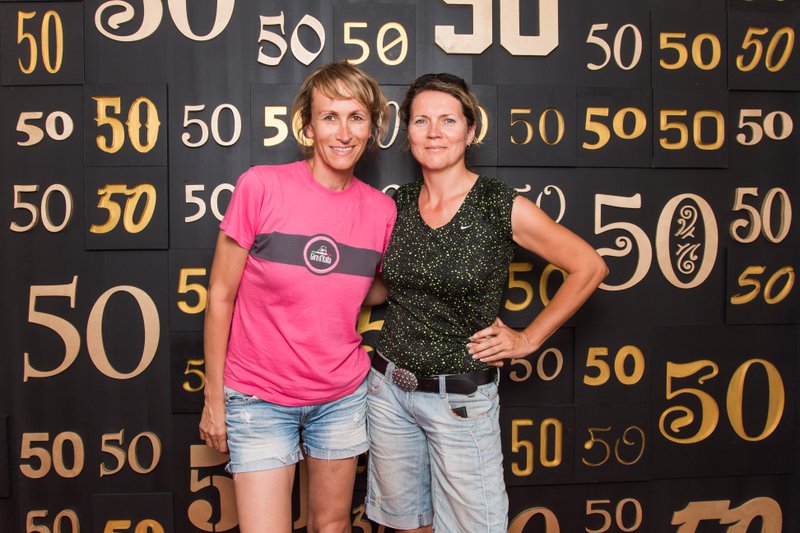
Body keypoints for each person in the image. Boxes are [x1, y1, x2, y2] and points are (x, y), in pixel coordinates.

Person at [365, 73, 608, 532]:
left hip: (459, 401)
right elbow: (383, 288)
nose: (434, 132)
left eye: (448, 120)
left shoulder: (497, 203)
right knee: (405, 526)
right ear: (407, 131)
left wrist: (528, 339)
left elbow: (589, 266)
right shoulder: (398, 203)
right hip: (388, 392)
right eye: (421, 120)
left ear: (470, 130)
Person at [198, 62, 395, 533]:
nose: (343, 133)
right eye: (329, 117)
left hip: (341, 396)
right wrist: (214, 398)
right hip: (258, 397)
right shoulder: (260, 187)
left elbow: (374, 284)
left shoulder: (382, 210)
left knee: (332, 526)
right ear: (307, 126)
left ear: (372, 128)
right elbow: (220, 295)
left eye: (356, 117)